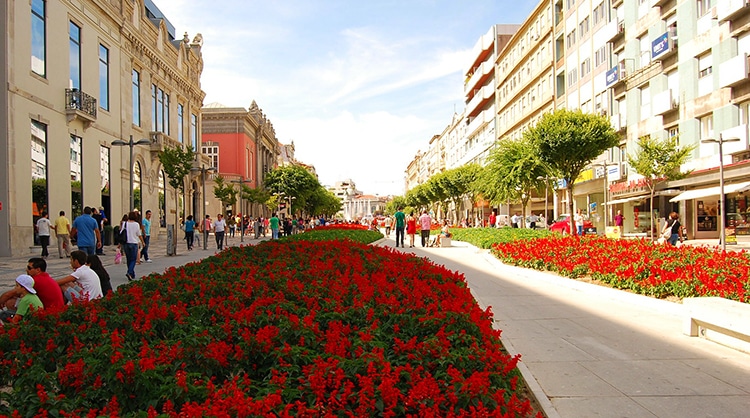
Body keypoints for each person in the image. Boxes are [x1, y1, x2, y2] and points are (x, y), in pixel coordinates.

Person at [121, 212, 145, 281]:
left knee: (129, 259)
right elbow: (139, 234)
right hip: (134, 243)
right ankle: (129, 272)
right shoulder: (136, 224)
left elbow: (121, 232)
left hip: (126, 243)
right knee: (133, 259)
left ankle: (132, 273)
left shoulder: (125, 223)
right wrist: (143, 242)